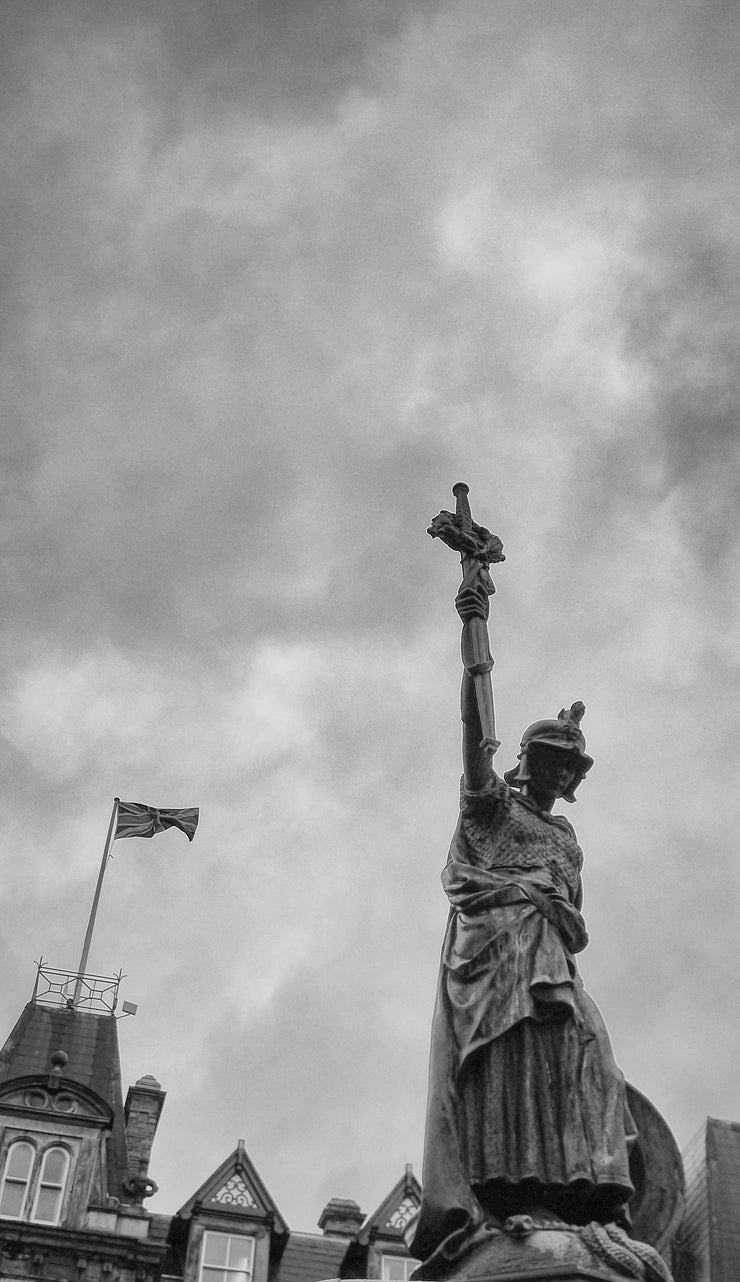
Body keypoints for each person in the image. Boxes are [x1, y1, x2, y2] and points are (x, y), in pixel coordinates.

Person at [409, 582, 636, 1272]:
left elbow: (576, 920)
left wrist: (556, 916)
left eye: (572, 765)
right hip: (494, 961)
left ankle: (580, 1196)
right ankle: (508, 1197)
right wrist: (477, 639)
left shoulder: (567, 839)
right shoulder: (491, 809)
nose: (564, 772)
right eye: (555, 759)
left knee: (587, 1058)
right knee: (510, 1072)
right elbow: (476, 736)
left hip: (551, 965)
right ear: (534, 761)